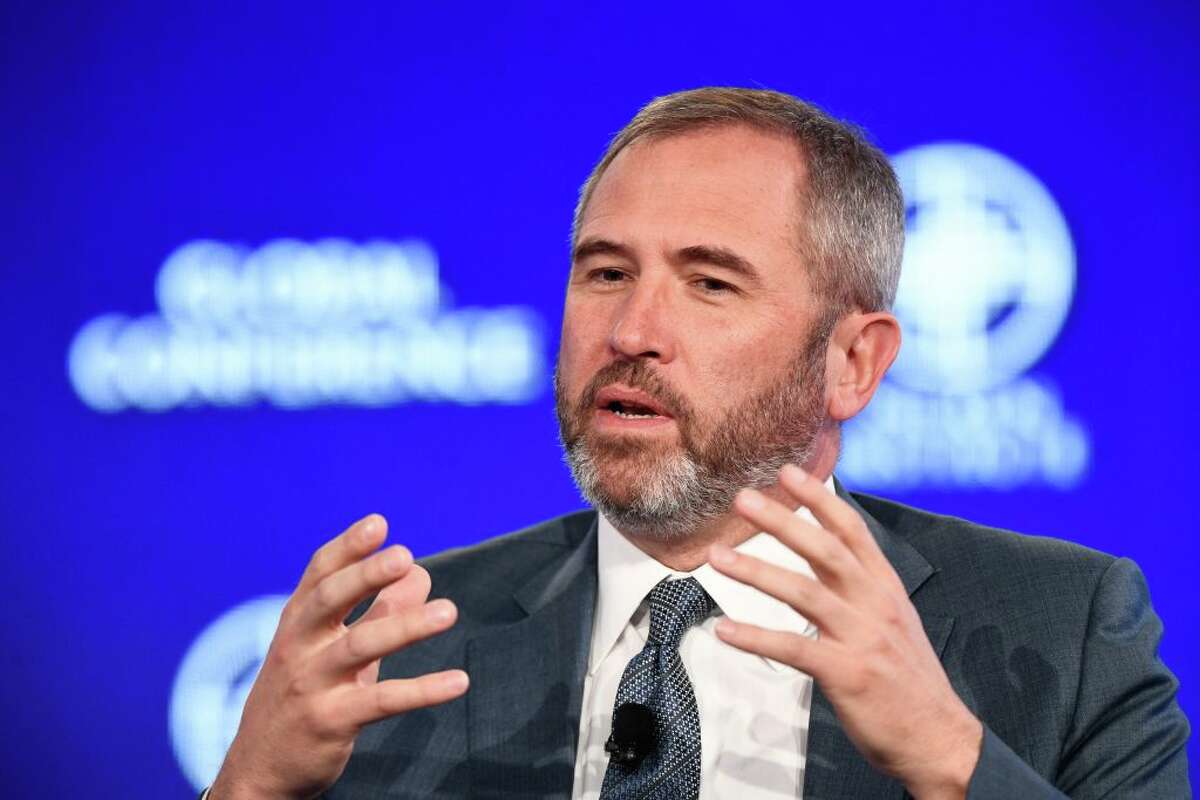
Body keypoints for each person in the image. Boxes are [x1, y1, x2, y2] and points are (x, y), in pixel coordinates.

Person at [207, 88, 1190, 799]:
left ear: (853, 359)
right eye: (603, 272)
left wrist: (950, 756)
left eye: (710, 282)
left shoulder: (1060, 632)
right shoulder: (408, 651)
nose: (632, 329)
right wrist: (248, 788)